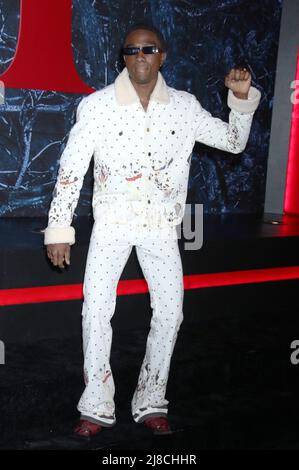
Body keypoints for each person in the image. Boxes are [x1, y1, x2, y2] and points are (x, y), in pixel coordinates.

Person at [44, 21, 261, 437]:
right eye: (132, 50)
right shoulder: (98, 106)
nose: (140, 56)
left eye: (148, 49)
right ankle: (95, 404)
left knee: (170, 313)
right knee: (96, 312)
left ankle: (150, 399)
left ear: (162, 55)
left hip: (161, 228)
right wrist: (59, 229)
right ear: (122, 57)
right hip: (112, 225)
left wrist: (239, 100)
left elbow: (233, 141)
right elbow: (71, 170)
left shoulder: (184, 106)